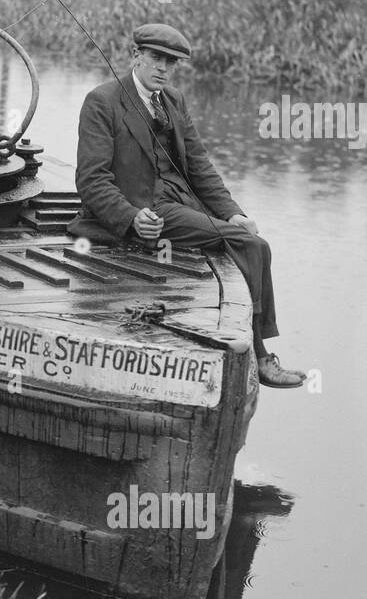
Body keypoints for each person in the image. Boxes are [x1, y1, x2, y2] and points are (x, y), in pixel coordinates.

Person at [68, 22, 307, 389]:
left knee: (245, 236)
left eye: (171, 62)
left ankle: (254, 350)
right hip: (151, 210)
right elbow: (91, 180)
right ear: (136, 56)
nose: (163, 68)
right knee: (252, 246)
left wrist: (232, 213)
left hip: (181, 200)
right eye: (156, 58)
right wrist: (131, 218)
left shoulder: (174, 100)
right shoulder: (102, 102)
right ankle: (260, 358)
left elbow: (199, 166)